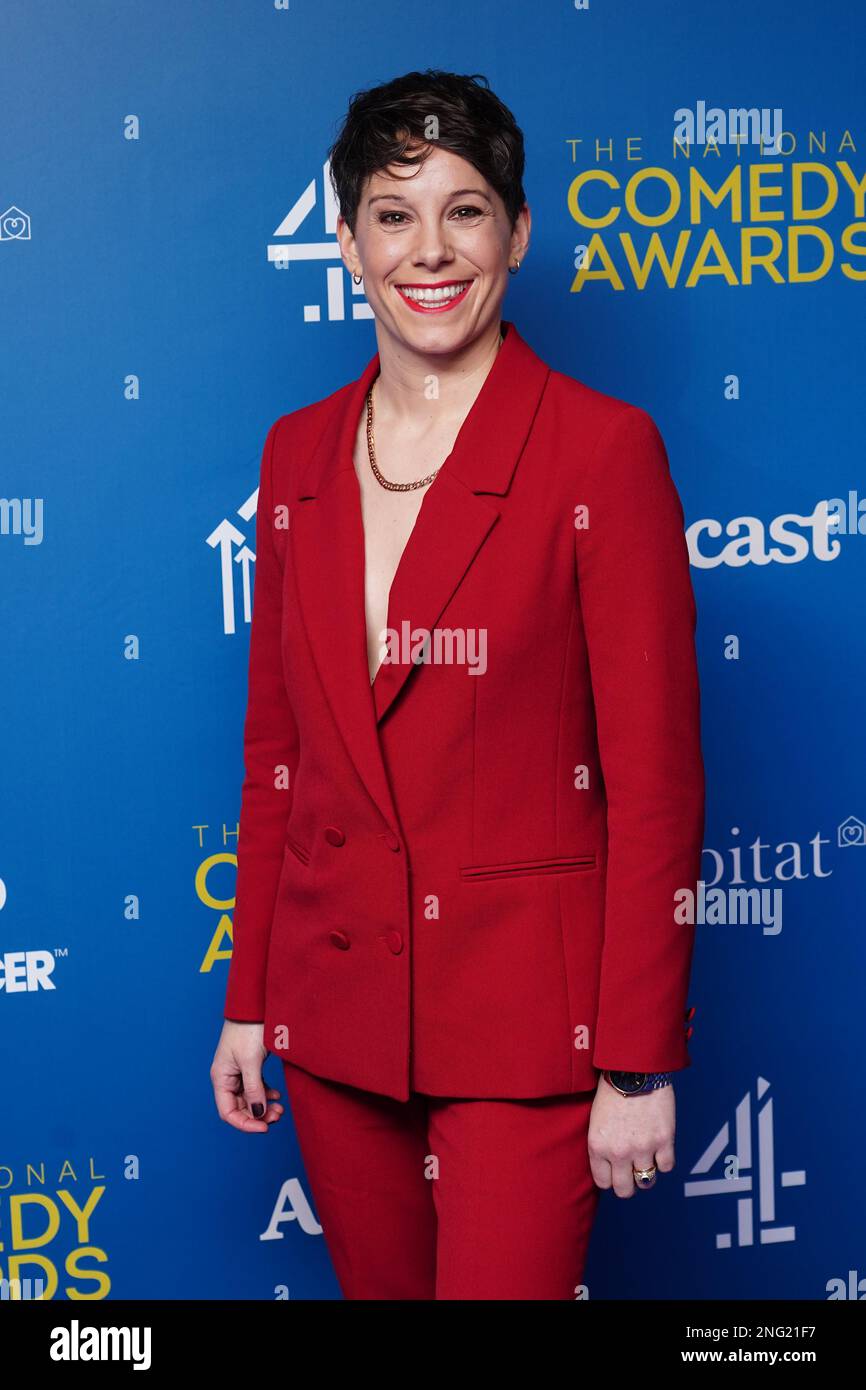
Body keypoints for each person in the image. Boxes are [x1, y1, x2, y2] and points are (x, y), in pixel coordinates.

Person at [210, 68, 705, 1301]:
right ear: (345, 240)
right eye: (392, 212)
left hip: (528, 1037)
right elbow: (279, 752)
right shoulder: (295, 454)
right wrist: (250, 1001)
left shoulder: (602, 448)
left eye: (465, 209)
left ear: (517, 233)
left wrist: (635, 1065)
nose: (429, 250)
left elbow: (653, 791)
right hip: (333, 1024)